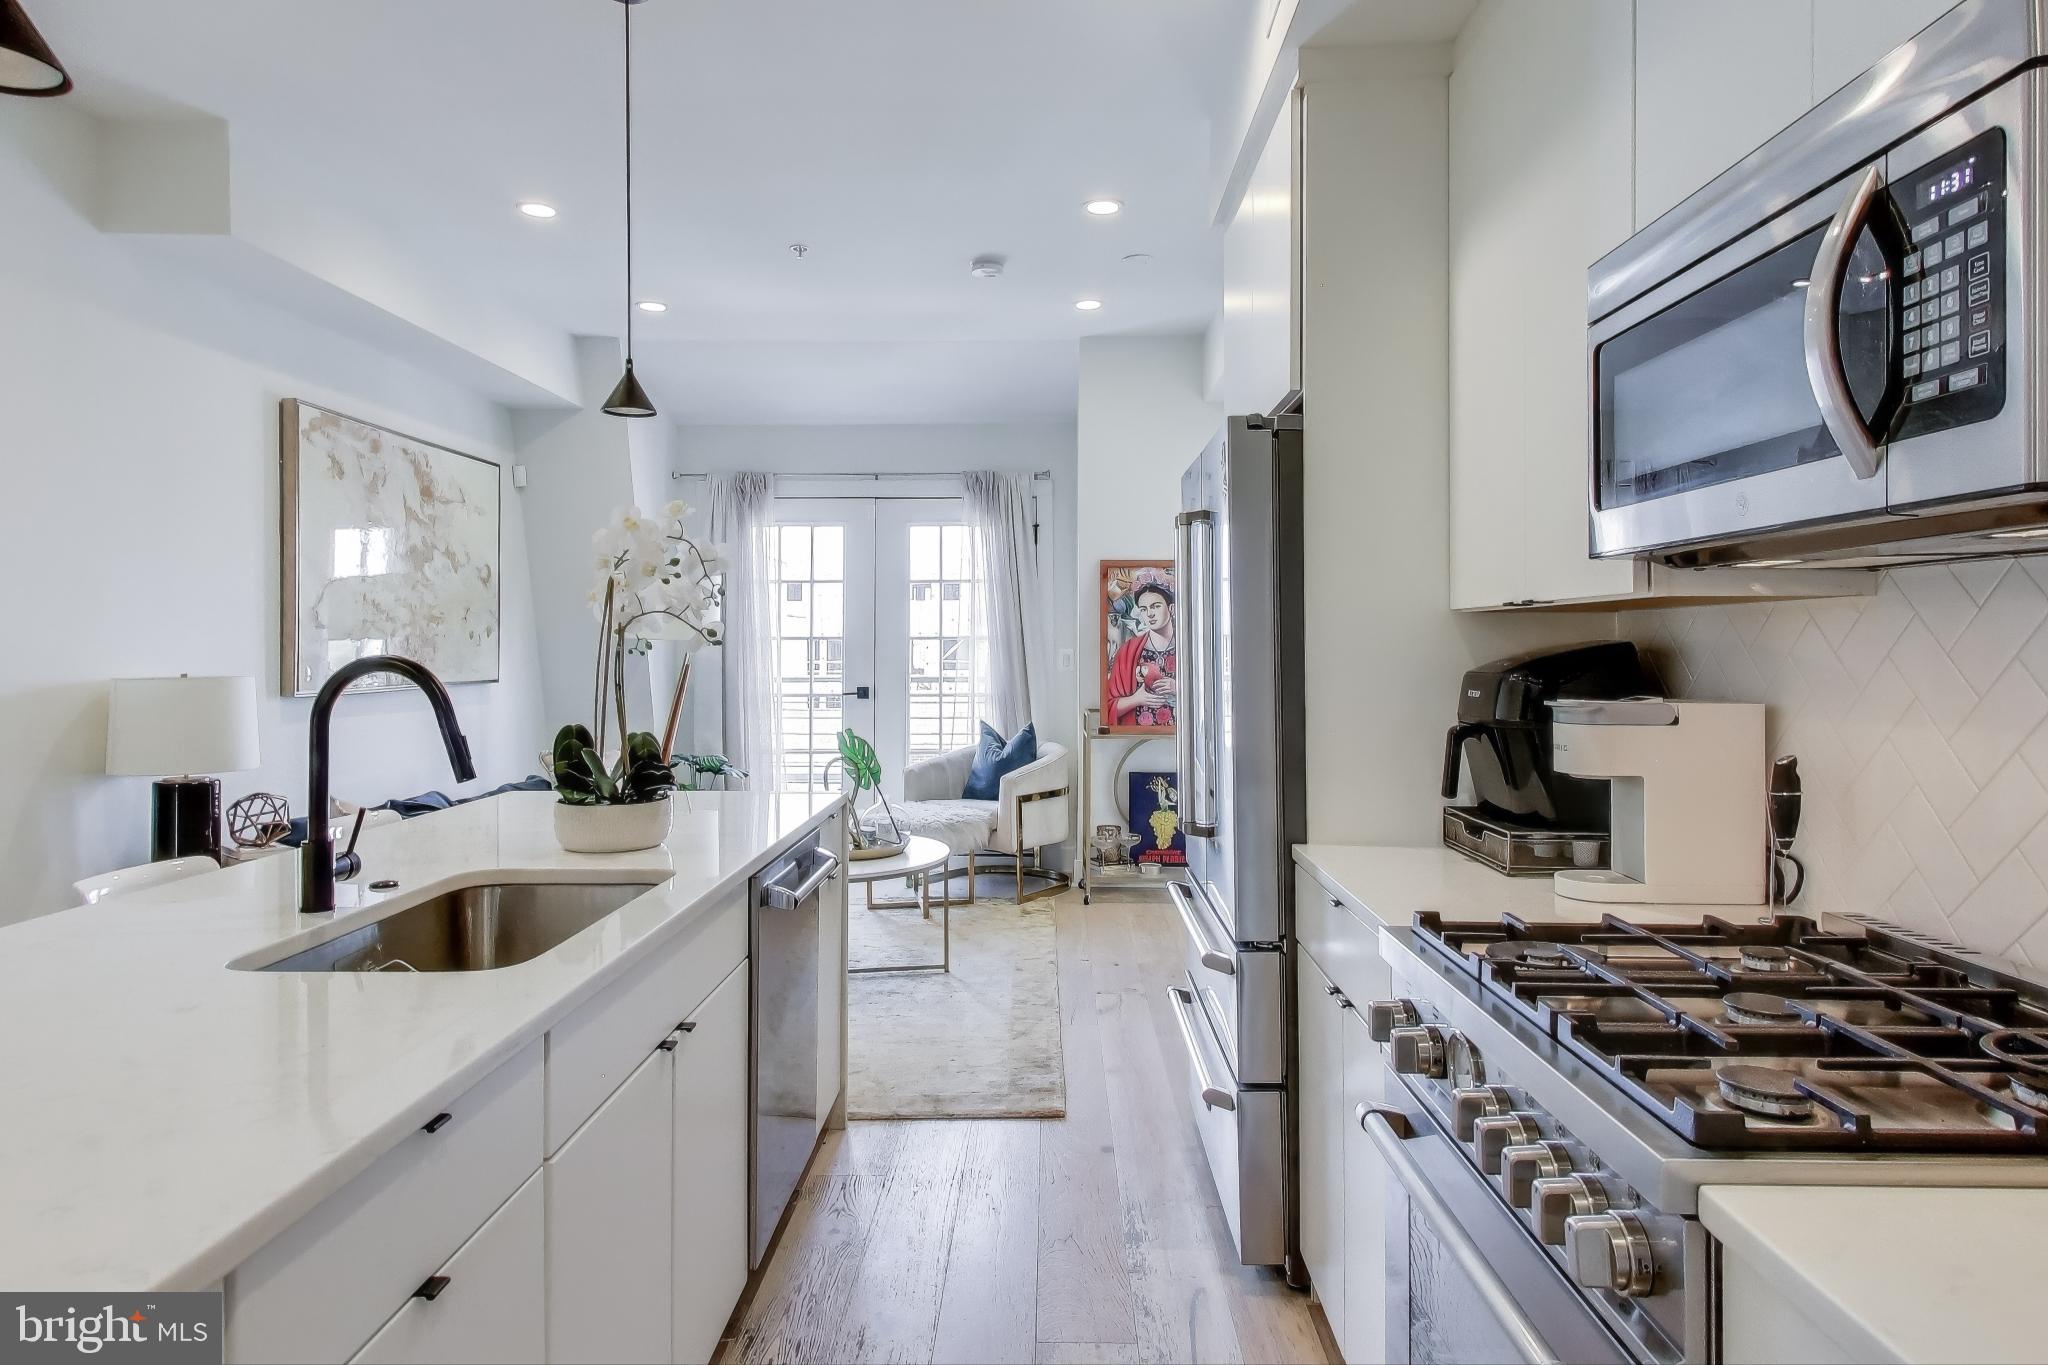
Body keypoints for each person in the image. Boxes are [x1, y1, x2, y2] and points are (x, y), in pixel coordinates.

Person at [1108, 580, 1177, 728]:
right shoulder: (1127, 651)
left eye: (1156, 606)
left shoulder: (1188, 650)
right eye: (1144, 609)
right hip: (1136, 738)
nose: (1150, 614)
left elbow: (1211, 698)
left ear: (1171, 609)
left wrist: (1179, 689)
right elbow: (1109, 706)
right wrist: (1137, 699)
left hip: (1183, 737)